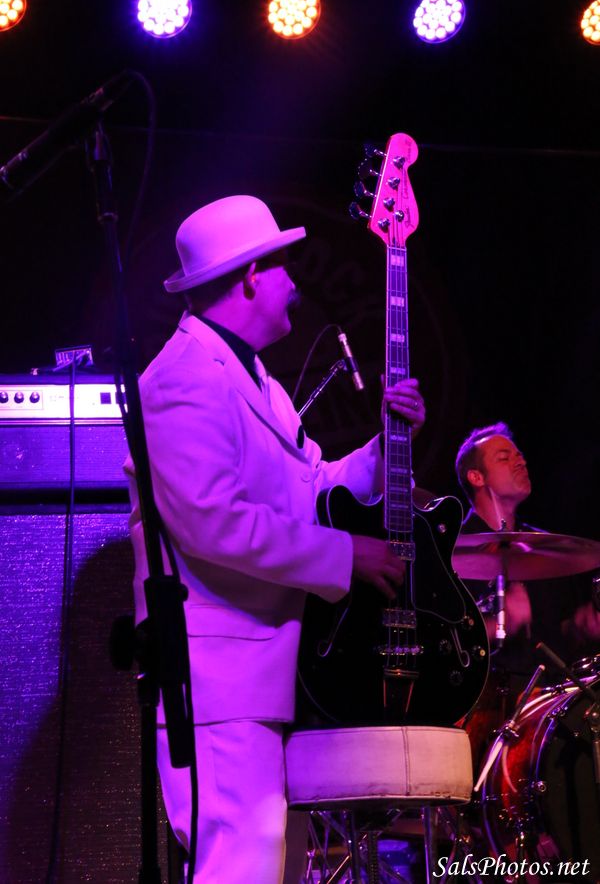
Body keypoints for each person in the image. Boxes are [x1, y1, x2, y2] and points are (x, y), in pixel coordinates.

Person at [124, 195, 426, 884]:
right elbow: (214, 522)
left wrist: (387, 444)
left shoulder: (256, 381)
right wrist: (346, 556)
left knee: (272, 865)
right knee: (244, 860)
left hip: (261, 679)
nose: (295, 281)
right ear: (252, 276)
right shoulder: (180, 380)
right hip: (217, 685)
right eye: (284, 264)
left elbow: (312, 486)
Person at [455, 422, 600, 721]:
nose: (520, 461)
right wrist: (500, 623)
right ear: (476, 477)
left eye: (519, 455)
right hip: (481, 704)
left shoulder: (545, 550)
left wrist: (582, 626)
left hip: (548, 705)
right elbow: (442, 641)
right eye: (504, 457)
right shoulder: (454, 551)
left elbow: (560, 632)